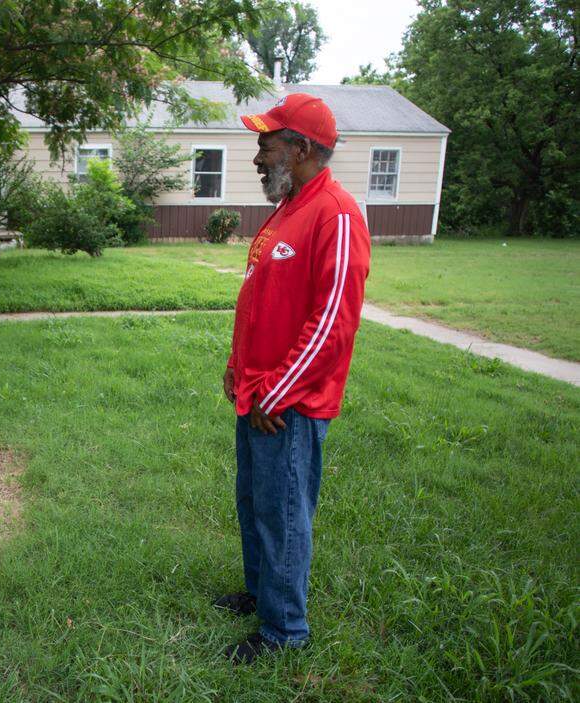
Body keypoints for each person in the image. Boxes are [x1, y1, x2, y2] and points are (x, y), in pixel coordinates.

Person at [216, 93, 371, 665]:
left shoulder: (337, 214)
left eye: (267, 144)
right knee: (255, 502)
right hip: (259, 393)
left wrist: (276, 391)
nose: (258, 156)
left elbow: (332, 323)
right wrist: (239, 367)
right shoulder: (290, 208)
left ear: (300, 148)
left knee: (283, 515)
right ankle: (262, 594)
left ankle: (284, 633)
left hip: (289, 404)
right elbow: (264, 298)